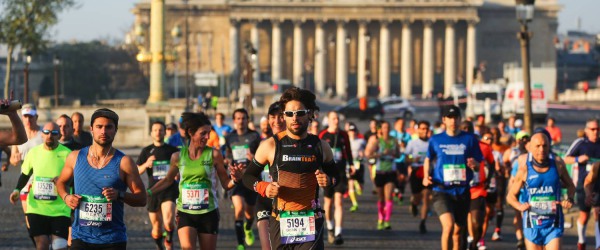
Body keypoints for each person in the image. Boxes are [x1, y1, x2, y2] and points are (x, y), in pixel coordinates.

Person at [241, 87, 337, 250]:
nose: (294, 118)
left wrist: (328, 180)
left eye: (300, 113)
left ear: (310, 114)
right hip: (280, 221)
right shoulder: (270, 145)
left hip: (311, 221)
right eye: (289, 114)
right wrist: (264, 187)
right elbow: (248, 176)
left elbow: (337, 176)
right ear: (284, 116)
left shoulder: (321, 146)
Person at [56, 108, 147, 249]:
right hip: (81, 238)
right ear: (91, 129)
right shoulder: (75, 157)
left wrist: (119, 195)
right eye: (99, 127)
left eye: (109, 127)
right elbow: (61, 182)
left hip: (112, 240)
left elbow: (142, 199)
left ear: (116, 130)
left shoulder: (124, 162)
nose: (103, 132)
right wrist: (66, 197)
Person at [149, 112, 242, 250]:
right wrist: (148, 192)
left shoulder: (214, 155)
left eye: (209, 133)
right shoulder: (178, 156)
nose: (207, 137)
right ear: (191, 132)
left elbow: (225, 184)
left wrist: (235, 180)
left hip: (208, 212)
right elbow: (168, 180)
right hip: (185, 212)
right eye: (203, 133)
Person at [423, 105, 483, 250]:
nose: (453, 121)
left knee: (458, 232)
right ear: (444, 120)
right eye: (449, 118)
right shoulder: (436, 139)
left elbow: (478, 163)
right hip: (441, 190)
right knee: (448, 226)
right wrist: (426, 176)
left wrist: (474, 165)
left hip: (462, 191)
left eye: (455, 117)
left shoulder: (469, 139)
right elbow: (427, 159)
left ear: (460, 119)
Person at [506, 132, 575, 250]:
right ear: (531, 147)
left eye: (545, 145)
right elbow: (510, 196)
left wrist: (569, 199)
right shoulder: (525, 170)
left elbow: (571, 186)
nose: (542, 149)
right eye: (538, 146)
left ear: (549, 146)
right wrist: (520, 206)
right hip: (532, 225)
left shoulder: (558, 165)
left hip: (553, 223)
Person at [9, 122, 71, 250]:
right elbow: (25, 174)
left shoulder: (68, 154)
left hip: (60, 209)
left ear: (59, 135)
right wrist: (16, 190)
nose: (50, 136)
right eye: (46, 132)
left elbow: (76, 179)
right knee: (42, 245)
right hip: (37, 208)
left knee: (59, 246)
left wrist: (63, 181)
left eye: (54, 133)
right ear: (42, 135)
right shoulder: (34, 153)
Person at [137, 121, 180, 250]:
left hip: (169, 189)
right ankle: (159, 246)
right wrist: (146, 164)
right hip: (153, 191)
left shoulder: (172, 151)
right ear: (151, 133)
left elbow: (180, 167)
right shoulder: (146, 151)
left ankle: (169, 240)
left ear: (165, 132)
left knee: (169, 222)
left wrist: (177, 173)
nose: (158, 132)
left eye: (161, 130)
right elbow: (137, 170)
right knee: (156, 228)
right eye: (155, 130)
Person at [225, 108, 261, 250]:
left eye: (243, 118)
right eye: (238, 118)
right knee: (239, 209)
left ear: (247, 120)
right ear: (234, 121)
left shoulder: (254, 136)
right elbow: (227, 154)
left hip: (251, 178)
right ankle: (240, 244)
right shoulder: (230, 137)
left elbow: (261, 156)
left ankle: (247, 227)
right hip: (236, 178)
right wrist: (227, 160)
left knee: (249, 213)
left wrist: (254, 159)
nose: (241, 121)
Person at [10, 103, 44, 247]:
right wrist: (15, 160)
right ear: (22, 118)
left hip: (43, 182)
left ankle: (45, 242)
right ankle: (38, 244)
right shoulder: (18, 135)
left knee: (44, 216)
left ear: (36, 117)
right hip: (25, 183)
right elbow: (12, 158)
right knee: (30, 219)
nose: (28, 120)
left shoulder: (43, 134)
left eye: (31, 117)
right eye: (25, 117)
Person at [564, 118, 600, 250]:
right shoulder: (580, 143)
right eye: (592, 129)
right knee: (584, 216)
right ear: (586, 130)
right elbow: (566, 159)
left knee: (598, 212)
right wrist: (579, 159)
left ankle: (598, 245)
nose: (595, 132)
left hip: (599, 184)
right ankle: (581, 241)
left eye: (598, 129)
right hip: (583, 185)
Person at [318, 111, 353, 245]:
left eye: (338, 118)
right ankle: (330, 227)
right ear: (329, 120)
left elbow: (348, 151)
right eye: (333, 118)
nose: (336, 121)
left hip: (340, 173)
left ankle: (339, 233)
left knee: (339, 201)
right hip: (327, 173)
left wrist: (351, 165)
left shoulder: (343, 134)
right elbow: (318, 152)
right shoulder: (322, 134)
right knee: (329, 203)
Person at [254, 101, 285, 250]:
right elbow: (249, 176)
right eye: (273, 116)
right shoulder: (263, 145)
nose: (277, 120)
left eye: (281, 116)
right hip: (265, 201)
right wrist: (262, 186)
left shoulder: (301, 144)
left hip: (290, 204)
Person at [365, 120, 399, 230]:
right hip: (380, 172)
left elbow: (398, 154)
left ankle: (387, 220)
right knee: (381, 198)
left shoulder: (394, 141)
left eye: (388, 127)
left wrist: (394, 153)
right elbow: (369, 155)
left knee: (389, 196)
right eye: (384, 127)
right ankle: (380, 218)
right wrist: (381, 154)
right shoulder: (378, 142)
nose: (386, 130)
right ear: (381, 129)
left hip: (391, 172)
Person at [404, 120, 431, 234]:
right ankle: (414, 204)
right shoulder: (412, 143)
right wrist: (412, 160)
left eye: (426, 129)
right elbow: (405, 159)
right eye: (422, 129)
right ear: (418, 130)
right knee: (417, 196)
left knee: (426, 197)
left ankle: (423, 222)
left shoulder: (432, 143)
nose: (424, 131)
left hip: (428, 173)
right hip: (416, 171)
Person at [506, 131, 531, 248]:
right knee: (519, 215)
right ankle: (520, 238)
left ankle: (526, 238)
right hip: (518, 190)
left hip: (530, 192)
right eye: (522, 138)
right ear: (517, 140)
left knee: (525, 216)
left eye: (526, 138)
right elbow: (512, 177)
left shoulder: (535, 155)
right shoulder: (514, 153)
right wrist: (511, 193)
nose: (524, 140)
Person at [390, 118, 411, 204]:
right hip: (394, 160)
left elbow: (410, 147)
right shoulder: (392, 134)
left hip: (404, 159)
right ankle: (396, 191)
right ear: (395, 125)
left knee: (404, 177)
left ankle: (400, 191)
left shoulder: (407, 135)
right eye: (399, 123)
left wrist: (405, 145)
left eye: (403, 123)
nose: (401, 125)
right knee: (396, 176)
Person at [347, 123, 366, 213]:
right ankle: (355, 204)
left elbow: (367, 150)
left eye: (354, 131)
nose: (352, 133)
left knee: (360, 186)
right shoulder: (346, 141)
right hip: (350, 165)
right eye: (351, 131)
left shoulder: (361, 141)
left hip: (359, 164)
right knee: (350, 182)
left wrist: (363, 154)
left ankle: (359, 185)